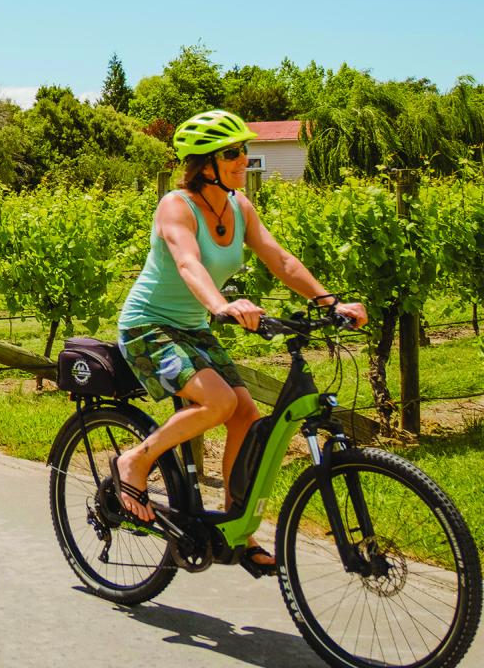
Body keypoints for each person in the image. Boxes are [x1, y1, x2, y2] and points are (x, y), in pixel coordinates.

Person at [112, 109, 367, 574]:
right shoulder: (176, 205)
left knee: (246, 414)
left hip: (191, 326)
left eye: (244, 150)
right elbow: (188, 263)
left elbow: (280, 260)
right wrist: (221, 305)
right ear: (203, 163)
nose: (243, 159)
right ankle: (134, 461)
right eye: (232, 152)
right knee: (218, 403)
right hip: (147, 326)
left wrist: (329, 301)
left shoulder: (239, 208)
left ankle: (236, 526)